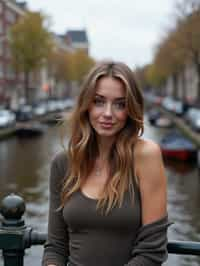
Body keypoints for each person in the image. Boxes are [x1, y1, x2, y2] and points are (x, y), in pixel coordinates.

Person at [42, 61, 170, 266]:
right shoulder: (63, 163)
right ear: (86, 105)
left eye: (120, 104)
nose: (108, 113)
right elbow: (56, 246)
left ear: (131, 110)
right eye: (99, 101)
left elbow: (151, 251)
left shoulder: (146, 156)